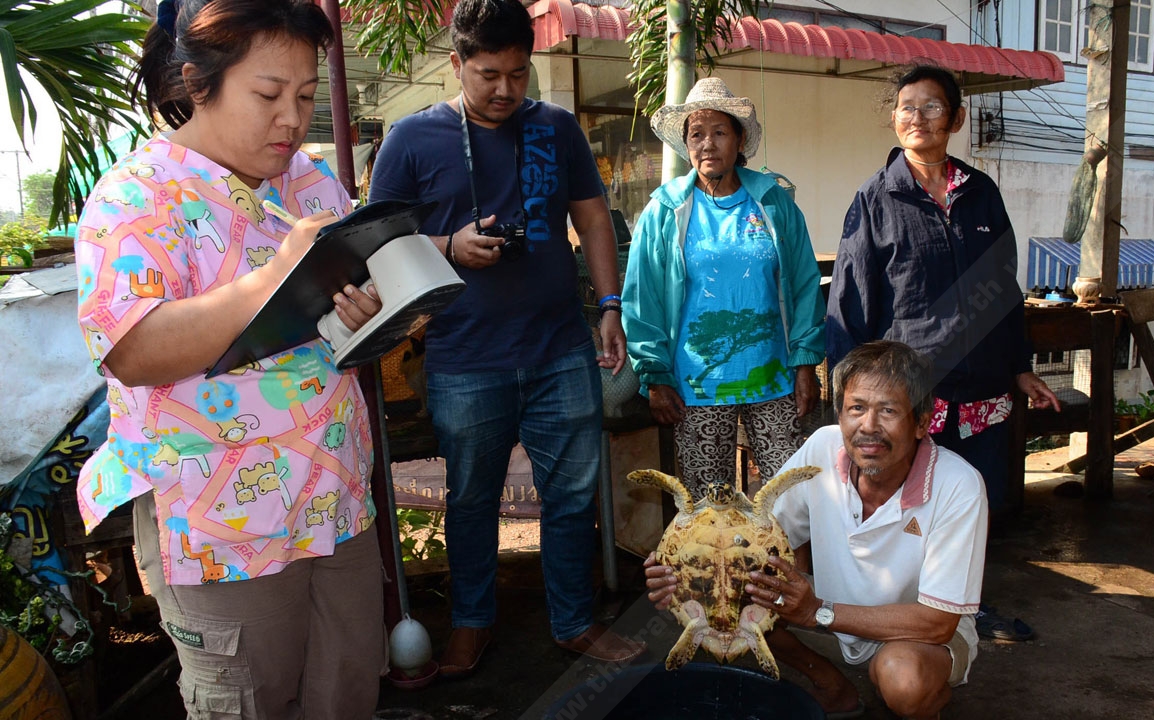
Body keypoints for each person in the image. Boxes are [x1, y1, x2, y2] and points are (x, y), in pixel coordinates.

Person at [74, 1, 386, 717]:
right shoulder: (140, 193)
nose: (291, 120)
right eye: (269, 95)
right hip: (219, 522)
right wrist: (272, 274)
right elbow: (132, 349)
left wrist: (362, 311)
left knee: (344, 693)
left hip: (332, 492)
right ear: (198, 83)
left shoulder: (309, 183)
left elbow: (330, 317)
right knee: (251, 700)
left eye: (306, 97)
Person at [368, 0, 643, 677]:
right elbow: (375, 243)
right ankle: (471, 624)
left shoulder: (556, 127)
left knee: (574, 498)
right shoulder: (410, 138)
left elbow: (595, 221)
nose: (504, 91)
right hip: (464, 356)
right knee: (471, 501)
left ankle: (575, 622)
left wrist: (610, 306)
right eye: (488, 74)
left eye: (519, 75)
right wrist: (448, 243)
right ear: (456, 63)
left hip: (560, 348)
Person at [826, 64, 1060, 641]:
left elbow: (1004, 288)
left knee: (972, 499)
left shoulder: (981, 194)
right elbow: (849, 301)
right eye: (907, 106)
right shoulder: (876, 199)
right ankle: (903, 615)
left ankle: (965, 613)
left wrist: (1021, 366)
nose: (917, 117)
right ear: (894, 117)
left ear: (955, 118)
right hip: (911, 395)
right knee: (910, 504)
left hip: (981, 386)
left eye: (932, 107)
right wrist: (848, 394)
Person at [646, 341, 988, 720]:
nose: (868, 427)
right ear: (840, 414)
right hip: (827, 611)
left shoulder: (959, 485)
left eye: (888, 411)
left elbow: (937, 622)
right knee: (723, 603)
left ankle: (928, 706)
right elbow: (752, 538)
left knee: (903, 681)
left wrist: (818, 612)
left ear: (922, 422)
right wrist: (677, 568)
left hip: (913, 635)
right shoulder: (824, 447)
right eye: (856, 408)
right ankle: (831, 684)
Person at [622, 77, 825, 498]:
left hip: (774, 381)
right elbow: (643, 299)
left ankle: (786, 569)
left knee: (789, 499)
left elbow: (805, 284)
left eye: (719, 132)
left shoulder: (773, 202)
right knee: (709, 507)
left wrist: (805, 361)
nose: (708, 144)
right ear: (686, 143)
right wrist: (655, 375)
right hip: (695, 387)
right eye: (697, 134)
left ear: (739, 138)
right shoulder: (664, 210)